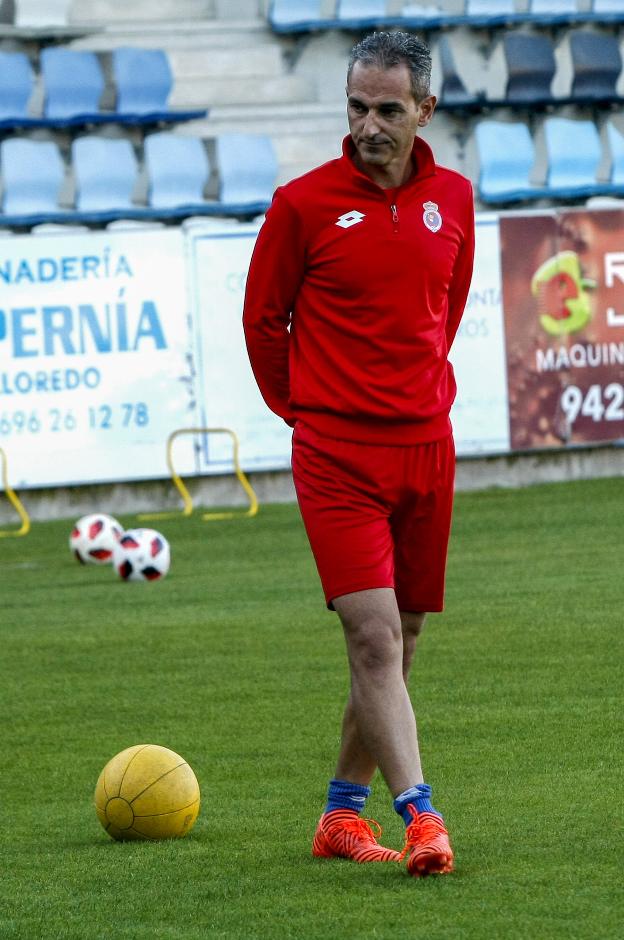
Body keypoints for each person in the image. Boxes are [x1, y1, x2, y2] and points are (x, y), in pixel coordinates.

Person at [243, 30, 475, 878]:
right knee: (374, 640)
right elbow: (264, 323)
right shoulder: (301, 204)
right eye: (355, 107)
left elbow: (440, 314)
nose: (368, 125)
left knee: (402, 640)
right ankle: (422, 817)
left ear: (424, 109)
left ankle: (341, 816)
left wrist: (414, 392)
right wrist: (303, 408)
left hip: (427, 447)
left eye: (386, 109)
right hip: (337, 454)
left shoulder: (454, 198)